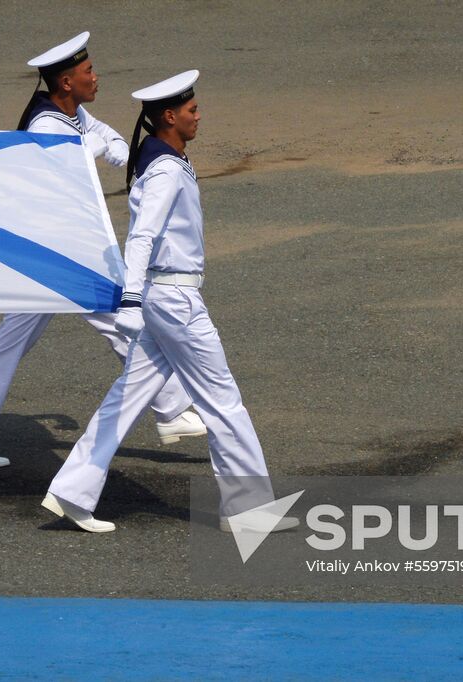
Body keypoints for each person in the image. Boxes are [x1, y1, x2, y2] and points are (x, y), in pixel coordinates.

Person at [0, 32, 204, 469]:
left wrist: (101, 147)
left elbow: (112, 142)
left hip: (48, 248)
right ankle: (171, 410)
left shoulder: (72, 112)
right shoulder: (46, 124)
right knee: (121, 317)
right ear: (65, 82)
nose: (96, 78)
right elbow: (76, 160)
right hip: (54, 251)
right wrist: (96, 148)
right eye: (87, 73)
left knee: (10, 342)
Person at [43, 71, 288, 533]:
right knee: (222, 400)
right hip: (174, 299)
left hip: (165, 295)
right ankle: (248, 510)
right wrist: (131, 302)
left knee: (128, 395)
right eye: (192, 111)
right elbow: (142, 237)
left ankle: (71, 493)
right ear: (169, 116)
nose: (200, 116)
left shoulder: (167, 160)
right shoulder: (165, 170)